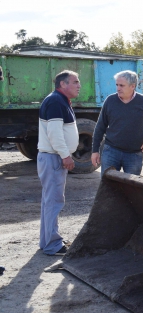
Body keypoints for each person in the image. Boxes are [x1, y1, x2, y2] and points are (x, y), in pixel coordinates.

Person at [38, 70, 81, 256]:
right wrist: (65, 155)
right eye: (75, 81)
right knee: (54, 201)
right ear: (63, 84)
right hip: (54, 157)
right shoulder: (56, 101)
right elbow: (54, 133)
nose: (79, 85)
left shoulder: (58, 100)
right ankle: (52, 245)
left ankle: (47, 241)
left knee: (50, 201)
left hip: (52, 157)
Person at [91, 70, 143, 176]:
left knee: (131, 188)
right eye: (117, 85)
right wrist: (95, 151)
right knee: (107, 186)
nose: (118, 88)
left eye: (122, 85)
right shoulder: (110, 101)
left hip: (134, 154)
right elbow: (100, 127)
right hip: (111, 151)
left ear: (132, 86)